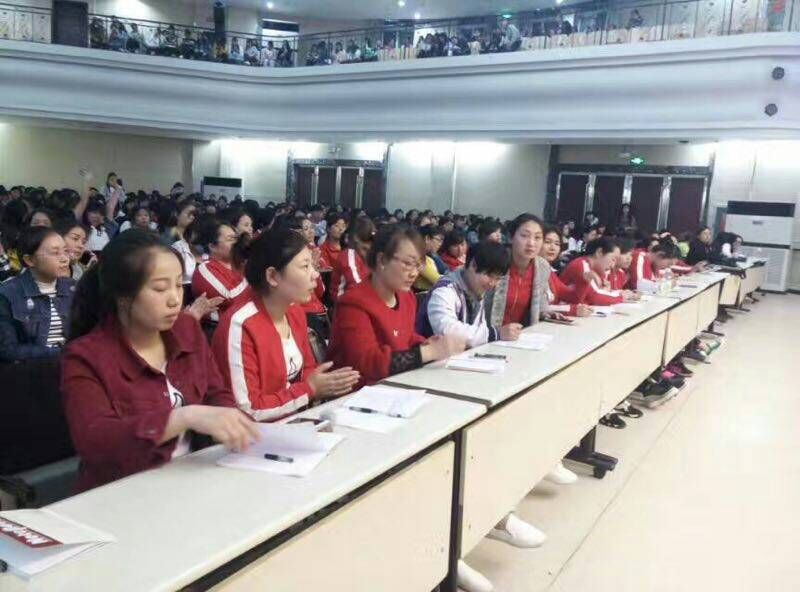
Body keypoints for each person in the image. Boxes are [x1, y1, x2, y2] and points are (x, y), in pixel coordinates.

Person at [62, 230, 259, 492]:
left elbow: (216, 392)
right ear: (123, 296)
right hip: (124, 491)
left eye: (178, 285)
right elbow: (96, 441)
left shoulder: (187, 330)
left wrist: (232, 422)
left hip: (194, 479)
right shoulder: (85, 356)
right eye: (160, 288)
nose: (175, 299)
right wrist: (183, 417)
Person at [212, 229, 359, 421]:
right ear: (273, 276)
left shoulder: (294, 310)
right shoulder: (241, 325)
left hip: (291, 423)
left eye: (312, 265)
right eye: (305, 266)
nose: (315, 274)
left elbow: (306, 371)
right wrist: (310, 389)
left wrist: (326, 382)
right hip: (253, 433)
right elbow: (247, 410)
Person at [328, 224, 466, 388]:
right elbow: (368, 363)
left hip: (396, 385)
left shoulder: (406, 297)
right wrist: (427, 352)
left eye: (418, 265)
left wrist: (426, 343)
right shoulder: (353, 303)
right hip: (356, 393)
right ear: (381, 260)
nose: (414, 273)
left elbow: (406, 337)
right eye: (408, 264)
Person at [418, 240, 520, 347]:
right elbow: (447, 331)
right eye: (490, 276)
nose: (493, 284)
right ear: (473, 265)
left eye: (497, 278)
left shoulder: (475, 288)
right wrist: (495, 334)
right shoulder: (444, 290)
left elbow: (479, 329)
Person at [0, 227, 73, 362]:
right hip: (30, 370)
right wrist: (61, 353)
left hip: (72, 365)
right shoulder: (7, 293)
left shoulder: (74, 288)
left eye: (65, 251)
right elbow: (7, 350)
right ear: (29, 260)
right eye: (55, 253)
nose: (64, 259)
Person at [486, 213, 551, 329]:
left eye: (537, 238)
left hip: (522, 335)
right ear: (511, 237)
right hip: (487, 334)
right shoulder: (495, 260)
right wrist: (495, 333)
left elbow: (540, 301)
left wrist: (545, 313)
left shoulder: (542, 267)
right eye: (524, 236)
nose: (531, 243)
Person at [190, 218, 249, 317]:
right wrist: (253, 272)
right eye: (230, 239)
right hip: (222, 324)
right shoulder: (205, 268)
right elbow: (231, 297)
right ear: (212, 246)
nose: (236, 243)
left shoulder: (239, 264)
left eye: (236, 238)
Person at [560, 237, 635, 306]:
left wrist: (618, 292)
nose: (613, 265)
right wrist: (621, 297)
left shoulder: (597, 270)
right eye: (613, 259)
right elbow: (595, 297)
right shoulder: (581, 264)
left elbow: (602, 293)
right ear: (599, 252)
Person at [540, 225, 592, 317]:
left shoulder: (549, 273)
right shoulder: (532, 271)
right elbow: (539, 307)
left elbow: (572, 298)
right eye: (547, 242)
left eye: (557, 244)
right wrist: (571, 310)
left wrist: (584, 282)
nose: (552, 248)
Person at [329, 216, 375, 301]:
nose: (368, 252)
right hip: (344, 303)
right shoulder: (348, 255)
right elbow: (357, 284)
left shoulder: (368, 256)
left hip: (360, 299)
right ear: (356, 239)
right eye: (364, 248)